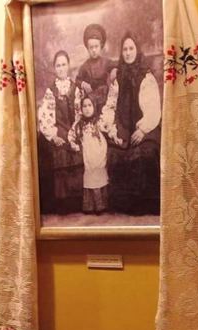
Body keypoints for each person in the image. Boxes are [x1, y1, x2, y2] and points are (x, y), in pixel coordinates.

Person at [100, 32, 161, 215]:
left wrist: (143, 130)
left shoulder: (146, 76)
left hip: (144, 127)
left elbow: (153, 107)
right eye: (124, 49)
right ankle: (123, 204)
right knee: (113, 153)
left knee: (145, 153)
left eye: (131, 48)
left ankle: (146, 203)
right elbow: (111, 105)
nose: (127, 53)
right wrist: (112, 129)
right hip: (124, 127)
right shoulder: (117, 77)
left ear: (137, 49)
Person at [37, 50, 84, 214]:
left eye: (64, 64)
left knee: (79, 150)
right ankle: (64, 203)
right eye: (58, 65)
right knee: (61, 151)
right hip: (58, 130)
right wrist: (53, 136)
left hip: (74, 129)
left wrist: (76, 133)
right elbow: (46, 116)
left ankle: (79, 201)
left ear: (69, 66)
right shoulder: (51, 92)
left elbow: (79, 114)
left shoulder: (76, 89)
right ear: (54, 68)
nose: (61, 68)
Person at [67, 95, 109, 214]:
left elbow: (108, 129)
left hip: (100, 151)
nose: (87, 109)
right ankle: (90, 206)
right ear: (81, 109)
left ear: (94, 106)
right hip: (88, 152)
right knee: (89, 174)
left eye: (90, 105)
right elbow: (71, 135)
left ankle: (101, 205)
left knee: (100, 172)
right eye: (84, 106)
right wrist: (73, 144)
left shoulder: (99, 121)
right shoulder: (79, 124)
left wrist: (114, 135)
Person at [75, 23, 115, 102]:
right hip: (90, 101)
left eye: (96, 47)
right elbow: (77, 80)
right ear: (87, 48)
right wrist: (83, 84)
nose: (94, 50)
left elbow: (117, 65)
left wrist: (114, 70)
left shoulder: (106, 62)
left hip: (105, 99)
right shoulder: (85, 66)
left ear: (101, 46)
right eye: (91, 47)